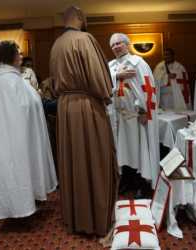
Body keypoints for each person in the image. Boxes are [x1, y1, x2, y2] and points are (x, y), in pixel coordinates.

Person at [50, 6, 119, 236]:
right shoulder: (84, 39)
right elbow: (100, 80)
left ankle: (76, 218)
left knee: (73, 162)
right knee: (95, 159)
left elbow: (52, 84)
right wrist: (106, 95)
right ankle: (97, 220)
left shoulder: (56, 44)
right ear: (80, 18)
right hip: (86, 107)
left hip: (64, 108)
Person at [0, 41, 57, 219]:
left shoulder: (9, 77)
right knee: (17, 169)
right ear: (10, 56)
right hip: (15, 136)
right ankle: (20, 208)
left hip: (16, 134)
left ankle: (26, 202)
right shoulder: (7, 80)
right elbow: (20, 107)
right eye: (18, 53)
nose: (21, 56)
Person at [108, 33, 160, 192]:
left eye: (119, 43)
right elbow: (103, 84)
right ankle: (127, 179)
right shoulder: (110, 66)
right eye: (113, 45)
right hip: (118, 117)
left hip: (136, 116)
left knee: (138, 149)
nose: (116, 47)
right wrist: (117, 76)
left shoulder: (138, 63)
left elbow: (147, 89)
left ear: (127, 44)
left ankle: (141, 182)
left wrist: (144, 111)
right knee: (122, 151)